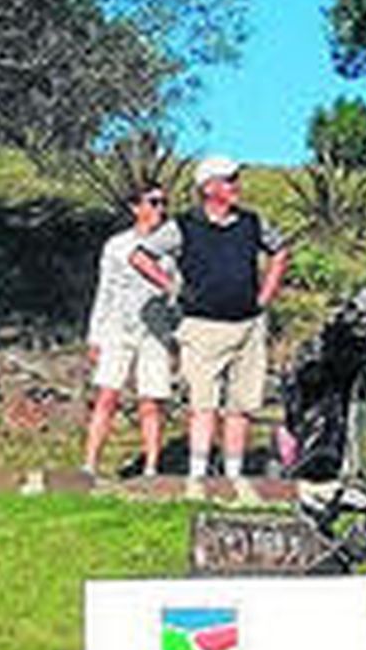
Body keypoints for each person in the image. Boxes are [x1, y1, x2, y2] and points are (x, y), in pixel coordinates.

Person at [144, 156, 290, 480]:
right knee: (202, 405)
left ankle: (233, 476)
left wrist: (265, 296)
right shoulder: (183, 225)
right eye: (228, 180)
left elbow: (280, 251)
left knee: (242, 405)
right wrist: (173, 288)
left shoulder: (252, 222)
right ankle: (198, 476)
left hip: (248, 324)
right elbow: (141, 256)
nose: (236, 186)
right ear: (208, 187)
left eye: (235, 179)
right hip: (201, 326)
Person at [81, 184, 179, 478]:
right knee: (107, 395)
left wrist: (176, 333)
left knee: (151, 400)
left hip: (156, 330)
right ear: (136, 207)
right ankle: (90, 464)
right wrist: (95, 335)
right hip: (118, 327)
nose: (160, 209)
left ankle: (151, 467)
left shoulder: (173, 246)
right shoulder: (117, 246)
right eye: (153, 202)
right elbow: (105, 290)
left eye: (164, 203)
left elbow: (178, 291)